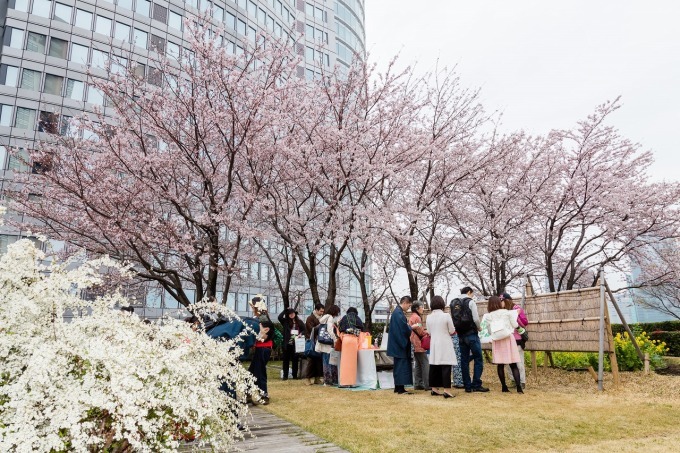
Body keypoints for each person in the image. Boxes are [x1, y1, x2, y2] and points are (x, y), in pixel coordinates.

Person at [451, 286, 489, 393]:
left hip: (460, 335)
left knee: (464, 360)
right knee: (478, 358)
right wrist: (479, 327)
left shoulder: (453, 302)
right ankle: (476, 384)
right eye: (472, 294)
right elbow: (476, 318)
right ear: (469, 292)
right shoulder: (470, 302)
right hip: (471, 334)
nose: (472, 296)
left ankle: (467, 386)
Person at [482, 295, 523, 393]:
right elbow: (515, 325)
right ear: (499, 303)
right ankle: (519, 388)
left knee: (500, 365)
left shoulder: (488, 316)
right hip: (508, 338)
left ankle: (504, 387)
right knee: (513, 364)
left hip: (497, 340)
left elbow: (488, 330)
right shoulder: (506, 312)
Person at [426, 296, 457, 398]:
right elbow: (452, 330)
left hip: (434, 343)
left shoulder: (428, 317)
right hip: (445, 342)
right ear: (442, 304)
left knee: (434, 366)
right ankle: (446, 390)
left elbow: (429, 332)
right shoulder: (446, 316)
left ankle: (434, 389)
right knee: (446, 366)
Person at [248, 295, 274, 404]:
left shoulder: (263, 319)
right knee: (252, 372)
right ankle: (248, 394)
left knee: (259, 373)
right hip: (262, 348)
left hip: (263, 348)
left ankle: (264, 395)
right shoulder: (262, 318)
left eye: (253, 307)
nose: (252, 309)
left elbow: (262, 335)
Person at [387, 295, 414, 395]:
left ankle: (398, 387)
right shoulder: (398, 314)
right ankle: (400, 389)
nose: (408, 308)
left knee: (398, 367)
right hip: (399, 345)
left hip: (396, 344)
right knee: (401, 367)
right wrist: (411, 328)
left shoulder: (397, 313)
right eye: (409, 305)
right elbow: (404, 329)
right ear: (405, 303)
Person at [502, 293, 528, 389]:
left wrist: (516, 316)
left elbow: (525, 323)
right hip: (506, 338)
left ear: (508, 300)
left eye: (502, 301)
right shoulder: (501, 311)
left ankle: (522, 381)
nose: (501, 303)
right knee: (508, 362)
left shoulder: (517, 309)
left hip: (517, 339)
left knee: (519, 361)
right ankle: (513, 380)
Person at [315, 304, 340, 386]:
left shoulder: (325, 317)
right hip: (328, 343)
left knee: (325, 362)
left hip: (322, 342)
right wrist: (335, 339)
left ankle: (327, 380)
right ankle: (329, 381)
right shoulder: (330, 318)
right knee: (329, 362)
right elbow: (329, 330)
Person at [338, 307, 364, 387]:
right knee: (352, 362)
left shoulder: (344, 318)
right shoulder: (357, 317)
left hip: (345, 339)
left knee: (344, 362)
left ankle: (343, 383)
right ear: (356, 312)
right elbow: (362, 328)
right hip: (353, 340)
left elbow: (341, 329)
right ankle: (352, 383)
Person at [278, 307, 306, 380]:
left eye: (293, 313)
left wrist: (301, 334)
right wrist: (285, 310)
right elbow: (279, 317)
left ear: (295, 314)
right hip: (287, 343)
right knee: (286, 360)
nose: (291, 315)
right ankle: (285, 375)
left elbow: (304, 330)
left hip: (296, 344)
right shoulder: (285, 321)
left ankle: (295, 375)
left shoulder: (299, 322)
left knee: (295, 360)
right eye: (290, 314)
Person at [409, 301, 430, 390]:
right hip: (419, 343)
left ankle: (418, 384)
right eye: (422, 307)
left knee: (418, 364)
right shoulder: (417, 318)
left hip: (413, 342)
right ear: (417, 308)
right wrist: (427, 332)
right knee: (425, 363)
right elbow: (420, 331)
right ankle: (428, 385)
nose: (423, 308)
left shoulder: (411, 317)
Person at [304, 303, 324, 385]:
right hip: (312, 341)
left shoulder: (322, 318)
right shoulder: (310, 318)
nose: (321, 313)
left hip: (319, 342)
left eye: (323, 311)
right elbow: (311, 330)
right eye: (320, 311)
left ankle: (317, 378)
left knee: (319, 361)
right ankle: (307, 378)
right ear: (316, 310)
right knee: (311, 360)